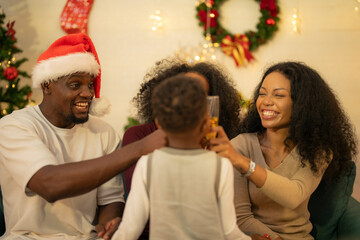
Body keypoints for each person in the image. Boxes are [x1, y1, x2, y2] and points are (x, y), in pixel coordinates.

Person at [0, 33, 166, 240]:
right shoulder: (14, 126)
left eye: (90, 85)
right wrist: (140, 148)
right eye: (75, 84)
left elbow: (110, 200)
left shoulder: (103, 132)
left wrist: (107, 226)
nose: (88, 93)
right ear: (47, 85)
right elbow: (49, 184)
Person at [210, 61, 357, 240]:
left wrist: (243, 163)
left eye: (278, 95)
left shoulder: (318, 151)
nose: (266, 102)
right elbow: (241, 218)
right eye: (262, 94)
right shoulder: (241, 145)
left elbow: (294, 195)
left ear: (302, 104)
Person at [112, 74, 251, 240]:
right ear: (207, 121)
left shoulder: (147, 164)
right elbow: (229, 231)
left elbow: (130, 229)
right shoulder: (221, 166)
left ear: (159, 123)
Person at [123, 58, 242, 194]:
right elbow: (138, 195)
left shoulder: (219, 144)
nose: (190, 101)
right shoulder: (139, 136)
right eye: (183, 92)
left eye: (199, 95)